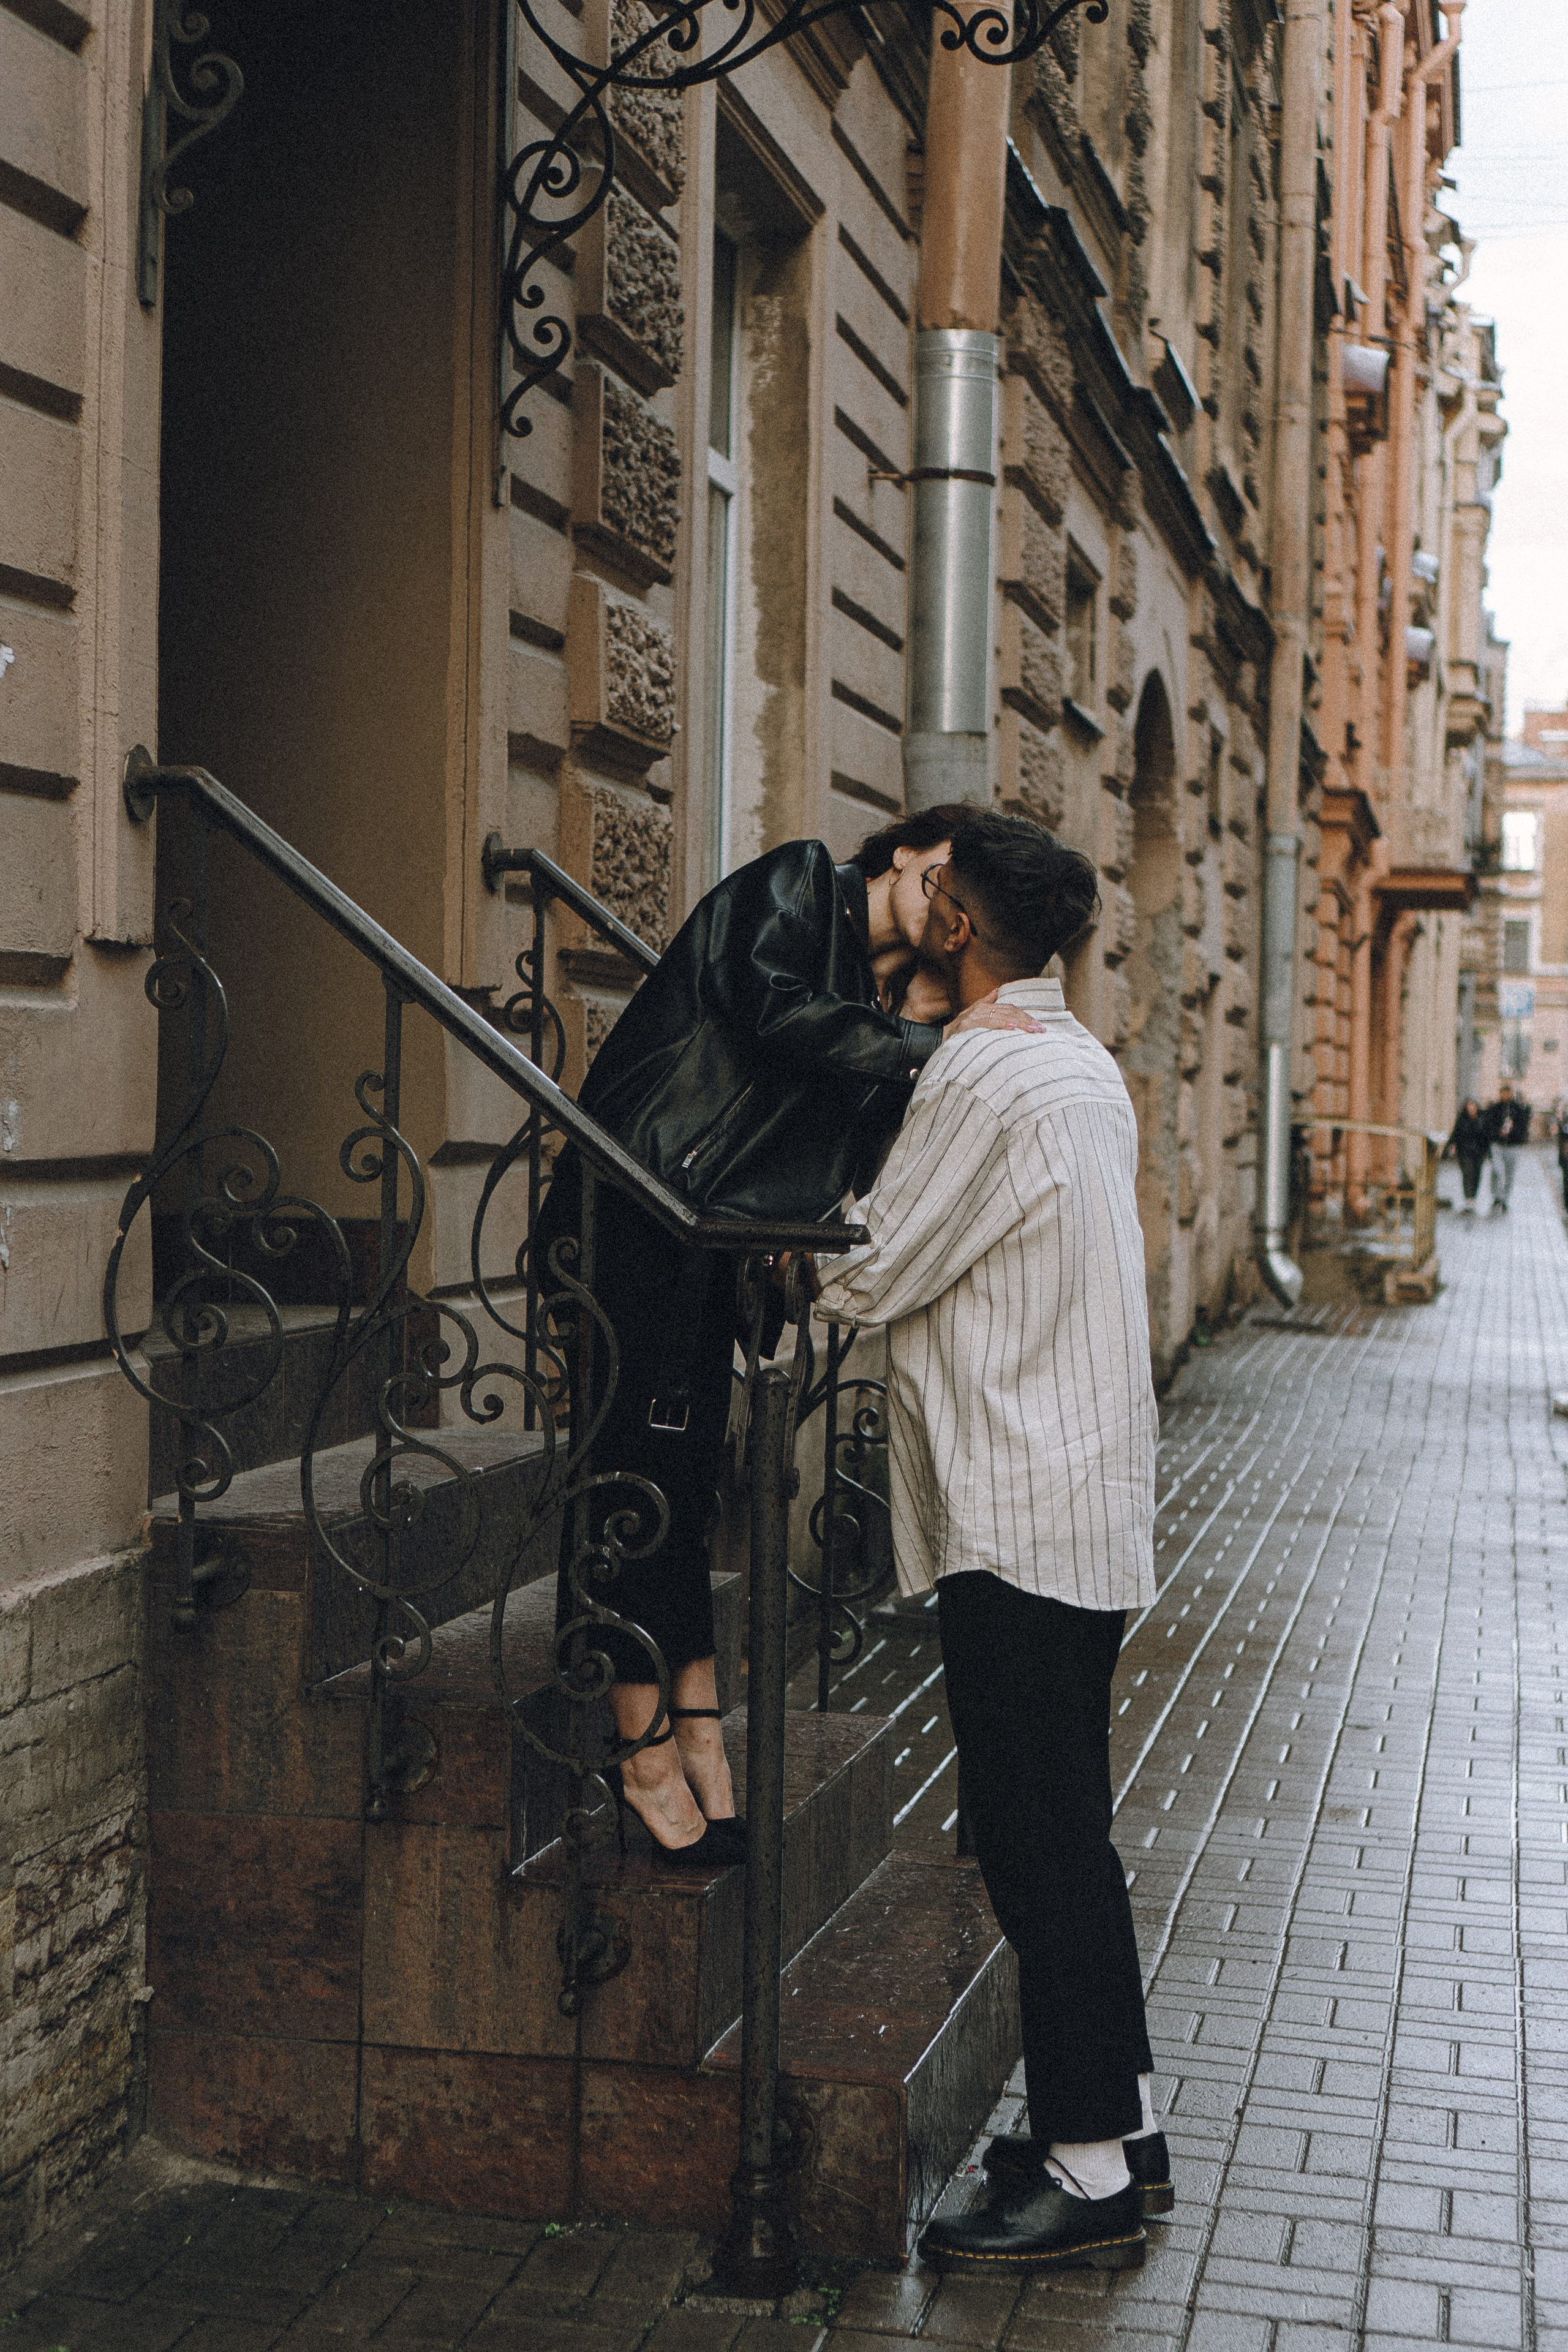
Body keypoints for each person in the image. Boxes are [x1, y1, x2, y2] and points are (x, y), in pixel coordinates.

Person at [538, 809, 1040, 1865]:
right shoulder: (799, 885)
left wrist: (929, 1015)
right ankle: (639, 1747)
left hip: (704, 1239)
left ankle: (699, 1729)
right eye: (940, 873)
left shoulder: (878, 997)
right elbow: (768, 1007)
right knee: (633, 1480)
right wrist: (933, 1040)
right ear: (902, 854)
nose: (946, 903)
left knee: (683, 1482)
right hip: (631, 1208)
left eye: (964, 899)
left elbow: (854, 1145)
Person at [810, 812, 1163, 2277]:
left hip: (1015, 1506)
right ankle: (1118, 2120)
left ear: (956, 922)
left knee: (1033, 1841)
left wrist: (781, 1231)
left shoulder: (985, 1064)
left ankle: (1083, 2169)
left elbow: (874, 1263)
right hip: (1082, 1497)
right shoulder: (1075, 1059)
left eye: (925, 895)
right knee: (1064, 1827)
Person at [1485, 1081, 1531, 1212]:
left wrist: (1514, 1132)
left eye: (1508, 1093)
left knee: (1510, 1174)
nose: (1505, 1095)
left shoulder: (1518, 1109)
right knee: (1497, 1171)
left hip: (1512, 1146)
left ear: (1511, 1094)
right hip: (1498, 1145)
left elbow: (1523, 1127)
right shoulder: (1495, 1108)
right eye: (1503, 1093)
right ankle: (1497, 1196)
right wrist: (1497, 1134)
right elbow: (1489, 1125)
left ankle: (1505, 1199)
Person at [1446, 1099, 1488, 1213]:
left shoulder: (1482, 1119)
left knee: (1476, 1175)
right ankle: (1469, 1199)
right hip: (1464, 1152)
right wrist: (1449, 1146)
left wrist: (1487, 1151)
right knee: (1468, 1174)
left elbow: (1486, 1136)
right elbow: (1455, 1134)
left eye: (1473, 1106)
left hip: (1478, 1153)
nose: (1471, 1109)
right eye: (1469, 1107)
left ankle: (1473, 1197)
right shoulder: (1462, 1120)